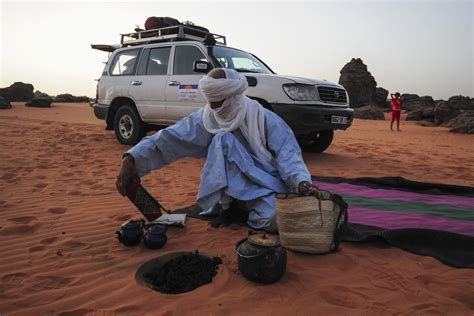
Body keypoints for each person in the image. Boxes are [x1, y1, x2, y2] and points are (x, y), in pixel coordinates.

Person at [116, 68, 314, 233]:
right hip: (225, 192)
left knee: (275, 220)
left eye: (219, 100)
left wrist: (301, 182)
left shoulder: (264, 119)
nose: (213, 106)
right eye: (210, 100)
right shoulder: (207, 118)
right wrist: (131, 158)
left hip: (262, 184)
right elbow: (170, 138)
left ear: (235, 97)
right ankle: (230, 206)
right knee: (222, 139)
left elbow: (289, 156)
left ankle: (243, 209)